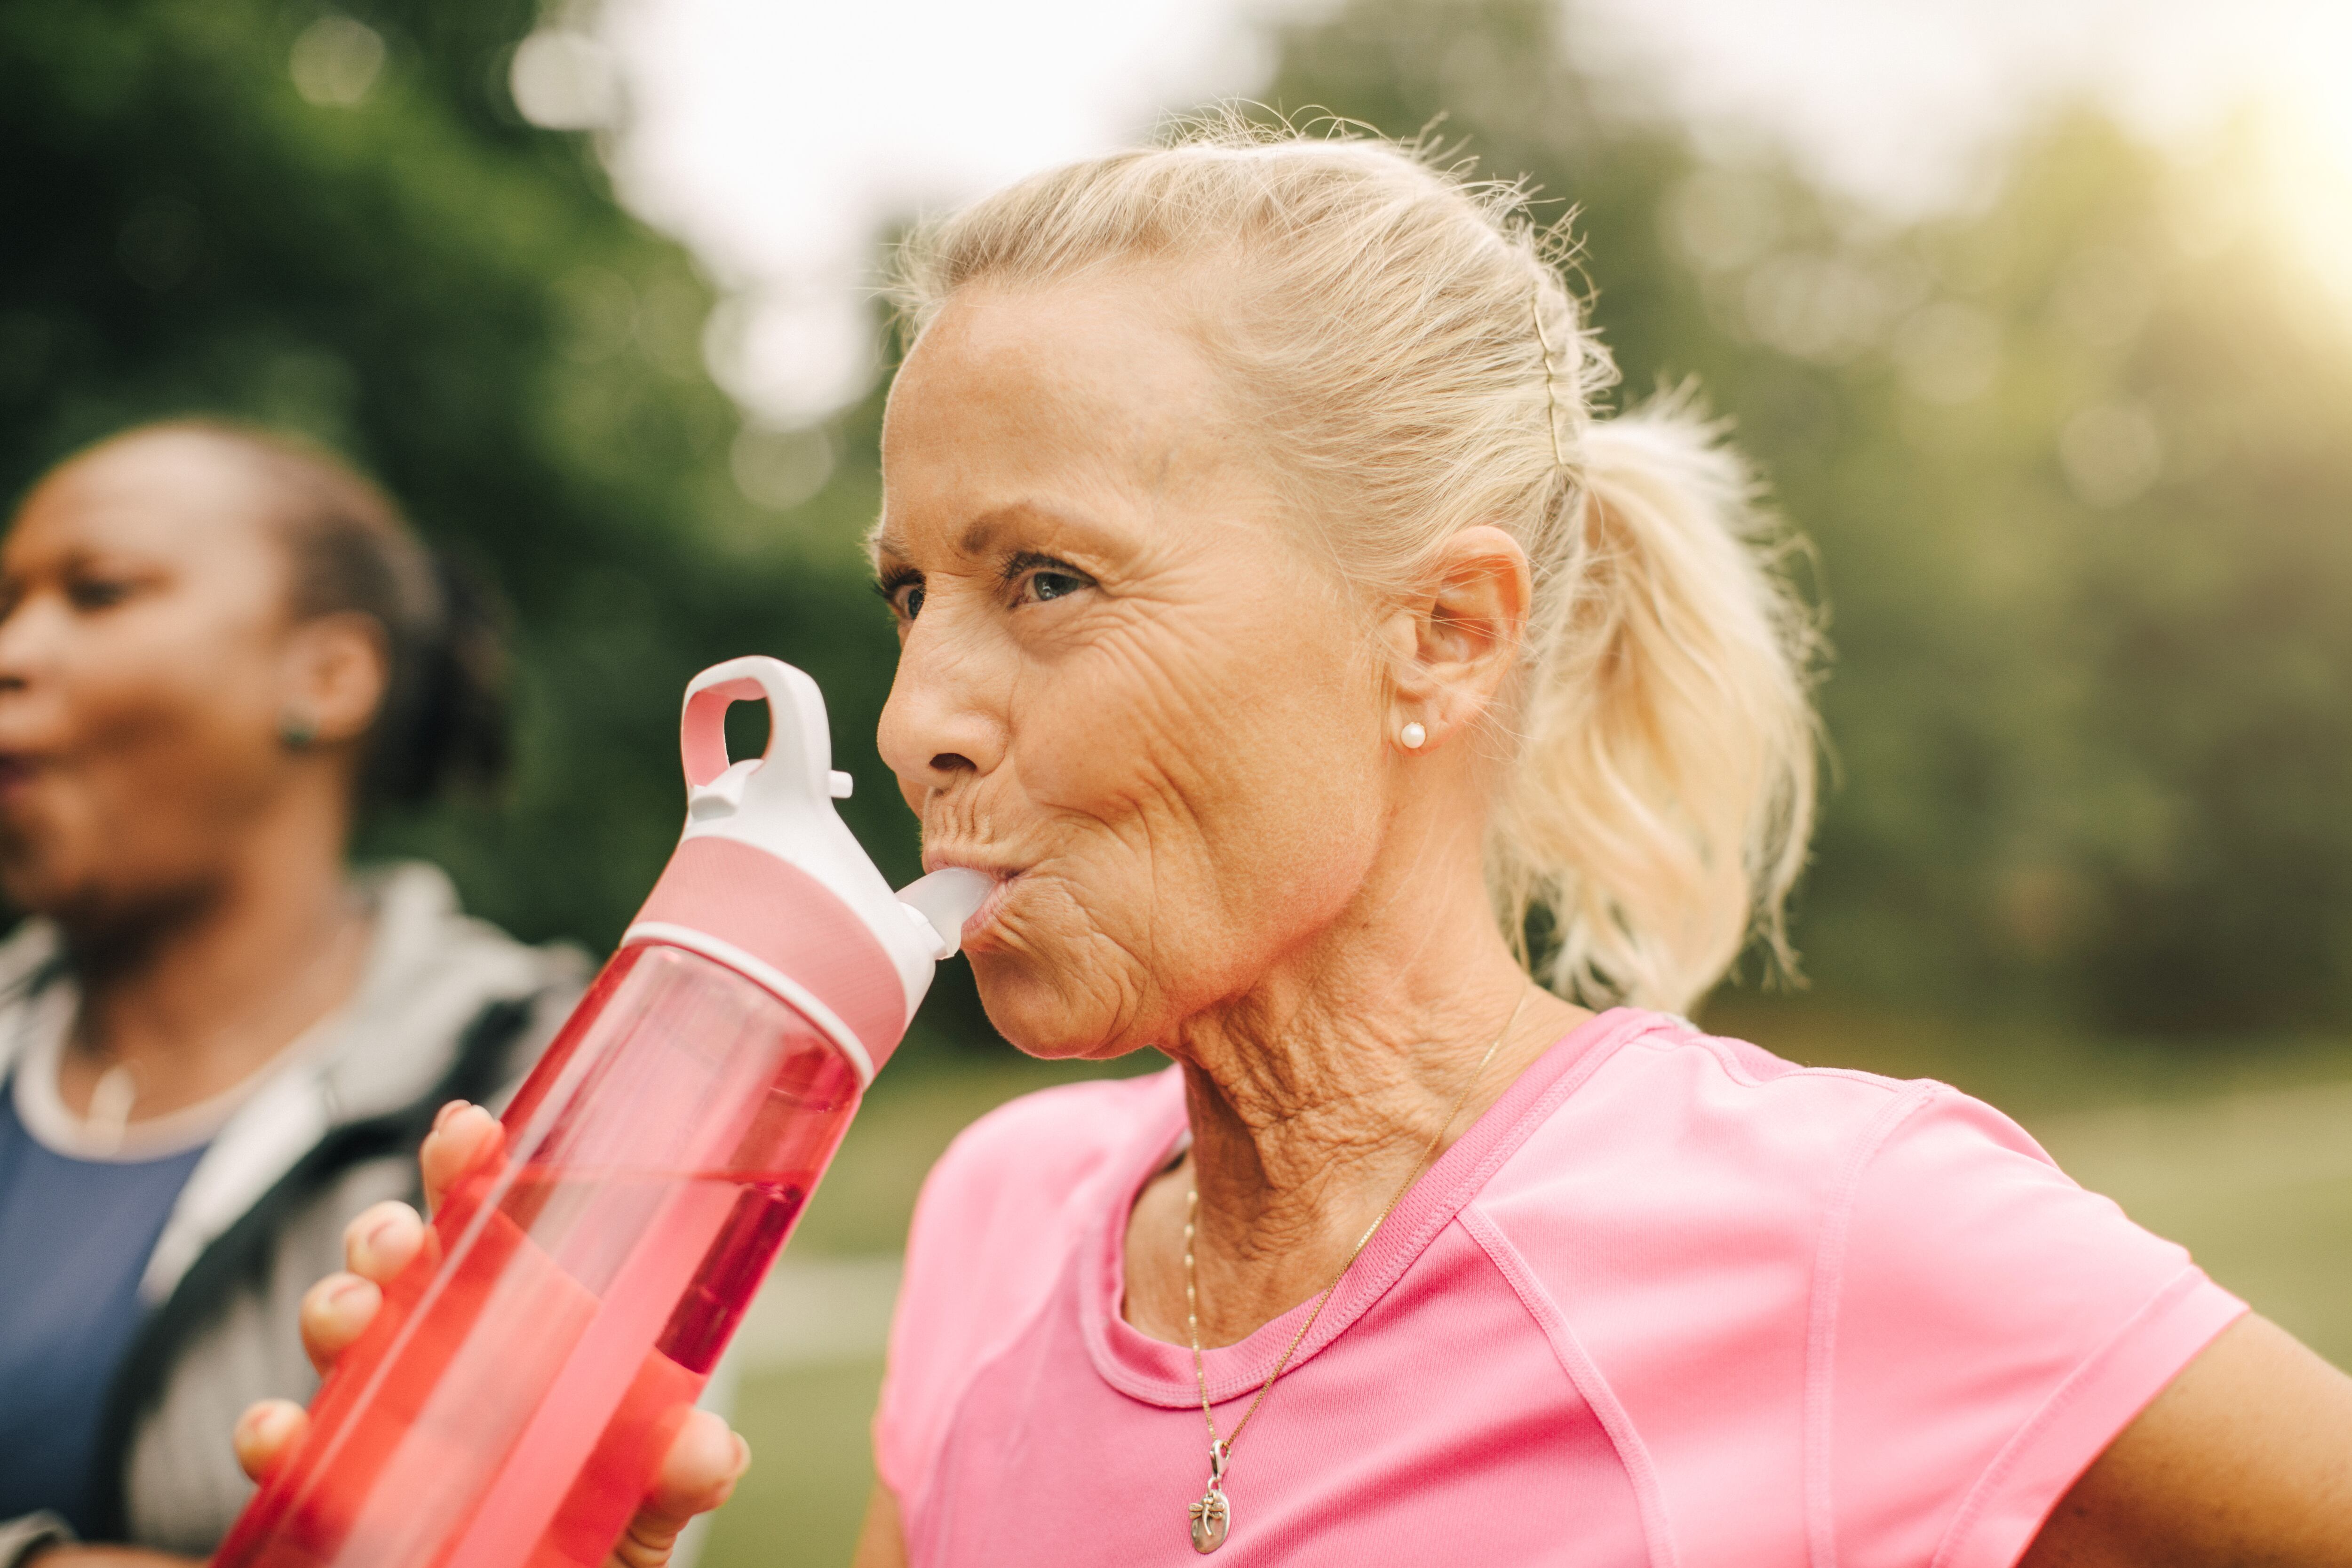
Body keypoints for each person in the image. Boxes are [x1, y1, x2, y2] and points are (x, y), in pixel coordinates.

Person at [250, 127, 2352, 1566]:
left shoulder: (1839, 1234)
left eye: (1047, 578)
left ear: (1439, 636)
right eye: (909, 593)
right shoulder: (996, 1217)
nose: (911, 720)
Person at [0, 422, 587, 1566]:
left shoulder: (536, 1072)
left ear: (329, 676)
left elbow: (547, 1529)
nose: (13, 649)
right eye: (8, 604)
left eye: (99, 590)